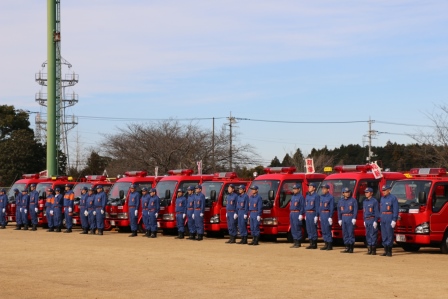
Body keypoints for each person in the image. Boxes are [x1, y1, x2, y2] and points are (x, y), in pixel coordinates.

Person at [337, 187, 358, 253]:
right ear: (343, 193)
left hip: (350, 217)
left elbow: (355, 210)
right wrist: (339, 219)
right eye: (346, 192)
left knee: (350, 232)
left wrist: (354, 218)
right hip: (343, 217)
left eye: (348, 192)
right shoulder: (340, 201)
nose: (348, 194)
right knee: (345, 233)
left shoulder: (353, 200)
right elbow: (339, 211)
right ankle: (347, 247)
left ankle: (351, 247)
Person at [380, 185, 398, 257]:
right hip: (383, 216)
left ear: (389, 190)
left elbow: (395, 209)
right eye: (383, 190)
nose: (383, 192)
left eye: (385, 190)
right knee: (384, 234)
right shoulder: (382, 199)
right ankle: (385, 249)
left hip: (389, 216)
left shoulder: (393, 198)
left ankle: (389, 250)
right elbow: (381, 209)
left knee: (389, 233)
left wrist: (394, 219)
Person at [363, 187, 380, 255]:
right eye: (365, 192)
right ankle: (369, 248)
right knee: (368, 234)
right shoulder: (365, 201)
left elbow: (376, 212)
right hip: (367, 219)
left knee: (373, 234)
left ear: (371, 193)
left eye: (367, 192)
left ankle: (373, 249)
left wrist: (375, 221)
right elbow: (364, 212)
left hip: (372, 219)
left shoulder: (374, 201)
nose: (366, 194)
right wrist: (364, 220)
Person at [319, 184, 334, 251]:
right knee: (323, 230)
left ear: (328, 189)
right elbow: (320, 207)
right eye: (322, 189)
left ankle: (329, 244)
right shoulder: (321, 197)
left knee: (327, 229)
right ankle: (325, 243)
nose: (323, 190)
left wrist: (330, 216)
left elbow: (331, 207)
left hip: (327, 213)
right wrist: (319, 215)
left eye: (324, 188)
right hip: (322, 213)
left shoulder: (330, 197)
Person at [305, 183, 320, 249]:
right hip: (308, 213)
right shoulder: (308, 196)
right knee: (308, 229)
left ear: (314, 188)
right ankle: (311, 242)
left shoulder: (316, 196)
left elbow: (317, 206)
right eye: (309, 186)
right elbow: (305, 205)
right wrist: (305, 214)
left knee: (313, 228)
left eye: (311, 187)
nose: (309, 188)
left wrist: (316, 215)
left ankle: (314, 243)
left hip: (313, 213)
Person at [289, 184, 305, 248]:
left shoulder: (301, 197)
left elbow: (302, 206)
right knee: (293, 228)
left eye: (295, 189)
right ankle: (295, 241)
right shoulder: (293, 197)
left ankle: (298, 242)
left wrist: (301, 214)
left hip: (297, 213)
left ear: (299, 189)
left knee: (297, 227)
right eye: (294, 189)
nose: (294, 190)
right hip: (292, 213)